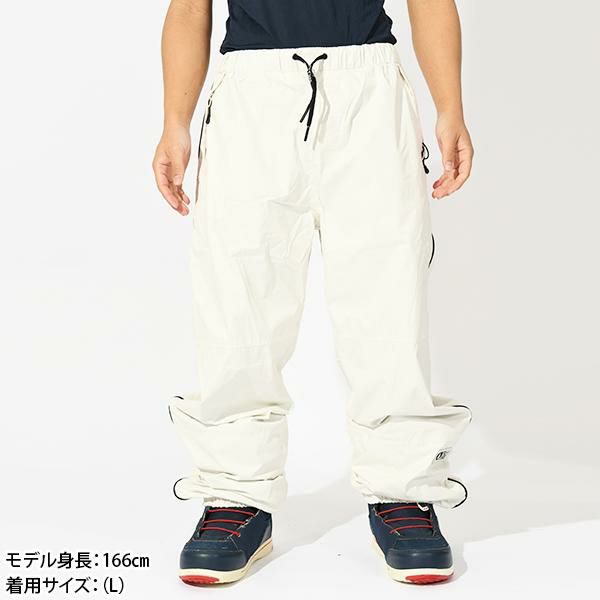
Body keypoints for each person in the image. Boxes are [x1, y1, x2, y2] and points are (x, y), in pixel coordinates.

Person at [153, 0, 474, 586]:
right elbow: (191, 6)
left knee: (388, 297)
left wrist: (449, 106)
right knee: (239, 302)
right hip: (251, 93)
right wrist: (176, 123)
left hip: (368, 89)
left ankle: (402, 490)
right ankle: (236, 495)